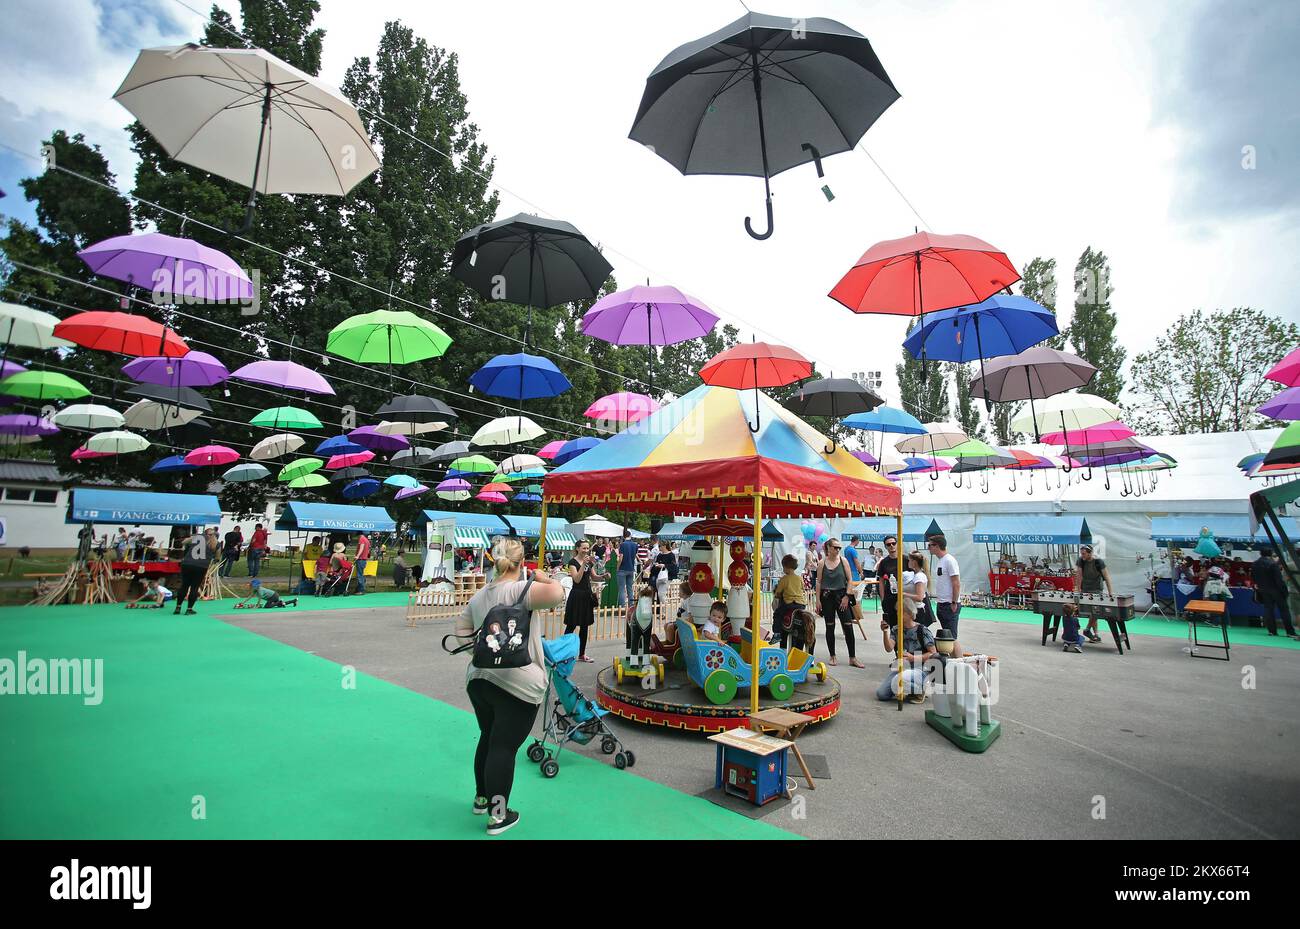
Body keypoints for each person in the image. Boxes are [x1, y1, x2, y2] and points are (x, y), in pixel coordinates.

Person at [457, 536, 565, 835]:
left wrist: (485, 651)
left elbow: (461, 630)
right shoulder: (522, 589)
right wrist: (544, 576)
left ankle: (482, 797)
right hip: (517, 682)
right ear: (521, 562)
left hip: (480, 680)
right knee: (504, 747)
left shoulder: (480, 596)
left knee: (489, 738)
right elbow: (557, 594)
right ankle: (498, 814)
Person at [875, 595, 936, 702]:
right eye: (898, 612)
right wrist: (885, 632)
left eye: (901, 612)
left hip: (920, 668)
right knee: (882, 694)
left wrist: (914, 658)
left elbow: (933, 654)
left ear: (909, 613)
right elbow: (889, 648)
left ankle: (921, 689)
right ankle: (911, 688)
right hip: (902, 667)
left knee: (898, 681)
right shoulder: (896, 629)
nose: (898, 615)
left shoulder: (922, 630)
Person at [815, 538, 862, 668]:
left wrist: (847, 596)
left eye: (839, 548)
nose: (837, 550)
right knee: (830, 626)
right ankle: (832, 655)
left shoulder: (843, 561)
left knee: (848, 625)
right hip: (827, 597)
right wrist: (817, 600)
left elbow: (850, 580)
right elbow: (819, 582)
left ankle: (852, 657)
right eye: (835, 547)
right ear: (828, 548)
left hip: (842, 596)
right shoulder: (821, 563)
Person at [564, 539, 605, 662]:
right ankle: (564, 653)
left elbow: (593, 577)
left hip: (586, 595)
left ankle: (582, 654)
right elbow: (576, 579)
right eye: (584, 548)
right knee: (571, 626)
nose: (586, 550)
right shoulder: (572, 562)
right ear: (577, 548)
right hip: (576, 595)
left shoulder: (589, 562)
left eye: (588, 548)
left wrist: (603, 575)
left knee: (584, 626)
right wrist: (583, 565)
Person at [1252, 549, 1298, 638]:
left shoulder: (1255, 564)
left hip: (1263, 589)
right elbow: (1279, 579)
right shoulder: (1272, 564)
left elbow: (1253, 576)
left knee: (1268, 609)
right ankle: (1289, 631)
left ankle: (1272, 631)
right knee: (1284, 610)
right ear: (1271, 554)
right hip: (1276, 589)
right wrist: (1284, 590)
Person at [1073, 544, 1113, 643]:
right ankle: (1095, 635)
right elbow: (1079, 575)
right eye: (1081, 553)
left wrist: (1110, 592)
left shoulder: (1099, 562)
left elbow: (1107, 577)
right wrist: (1078, 589)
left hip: (1096, 589)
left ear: (1090, 553)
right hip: (1085, 589)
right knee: (1092, 613)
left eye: (1084, 554)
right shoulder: (1081, 561)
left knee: (1096, 612)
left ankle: (1088, 630)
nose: (1082, 555)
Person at [175, 527, 217, 615]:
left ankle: (178, 607)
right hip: (201, 566)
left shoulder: (197, 537)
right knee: (195, 587)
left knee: (184, 585)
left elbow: (184, 542)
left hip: (187, 563)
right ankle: (189, 609)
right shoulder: (214, 542)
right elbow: (217, 556)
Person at [928, 534, 962, 638]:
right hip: (942, 603)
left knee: (951, 637)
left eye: (929, 545)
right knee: (947, 636)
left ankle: (956, 654)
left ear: (936, 546)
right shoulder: (941, 560)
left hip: (949, 603)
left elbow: (956, 583)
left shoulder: (949, 561)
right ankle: (951, 653)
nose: (928, 548)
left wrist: (954, 602)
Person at [772, 554, 807, 649]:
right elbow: (803, 589)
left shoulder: (784, 579)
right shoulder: (799, 578)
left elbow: (778, 593)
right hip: (801, 605)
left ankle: (777, 634)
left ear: (786, 567)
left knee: (777, 614)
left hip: (790, 604)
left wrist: (778, 595)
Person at [902, 551, 934, 626]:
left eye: (910, 560)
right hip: (913, 608)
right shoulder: (915, 575)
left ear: (914, 562)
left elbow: (919, 597)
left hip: (917, 609)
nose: (908, 562)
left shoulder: (919, 576)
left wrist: (903, 594)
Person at [876, 536, 900, 625]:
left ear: (897, 544)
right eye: (888, 544)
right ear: (885, 547)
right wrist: (883, 598)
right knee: (892, 625)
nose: (892, 546)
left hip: (905, 597)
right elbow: (881, 581)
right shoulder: (884, 562)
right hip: (890, 597)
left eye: (893, 543)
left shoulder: (905, 559)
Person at [616, 530, 639, 607]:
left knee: (622, 589)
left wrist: (617, 567)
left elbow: (621, 557)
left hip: (622, 568)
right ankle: (631, 605)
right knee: (630, 588)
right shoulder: (635, 545)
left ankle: (622, 607)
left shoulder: (622, 545)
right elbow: (635, 555)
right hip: (631, 568)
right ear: (630, 535)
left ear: (623, 536)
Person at [651, 539, 677, 605]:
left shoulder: (671, 555)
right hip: (658, 576)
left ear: (664, 546)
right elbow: (656, 565)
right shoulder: (659, 555)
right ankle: (660, 611)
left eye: (660, 546)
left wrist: (664, 565)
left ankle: (665, 610)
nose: (659, 547)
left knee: (661, 594)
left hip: (667, 577)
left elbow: (673, 566)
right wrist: (656, 565)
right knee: (659, 594)